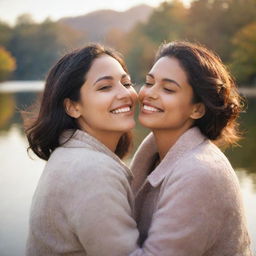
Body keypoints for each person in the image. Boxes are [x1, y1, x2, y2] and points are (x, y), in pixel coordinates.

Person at [129, 41, 252, 255]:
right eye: (149, 83)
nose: (150, 93)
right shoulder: (154, 154)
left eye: (168, 89)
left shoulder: (199, 173)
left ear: (197, 109)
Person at [24, 44, 139, 255]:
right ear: (73, 107)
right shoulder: (92, 171)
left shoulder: (71, 154)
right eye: (105, 87)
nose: (126, 94)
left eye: (127, 82)